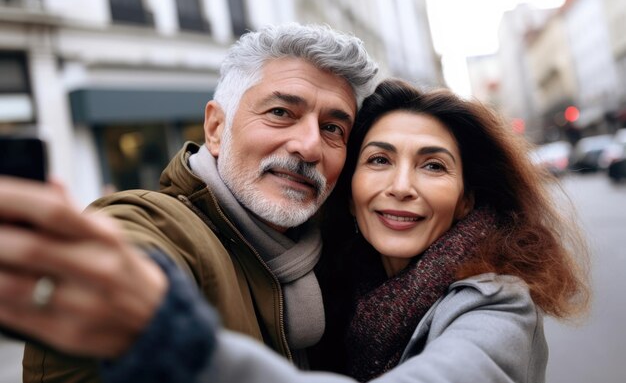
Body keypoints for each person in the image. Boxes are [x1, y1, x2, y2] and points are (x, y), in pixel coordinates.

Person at [0, 78, 590, 383]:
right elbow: (148, 232)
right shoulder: (325, 276)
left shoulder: (498, 310)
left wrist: (175, 341)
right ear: (349, 184)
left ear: (466, 200)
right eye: (378, 159)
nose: (401, 185)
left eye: (433, 165)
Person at [0, 22, 378, 382]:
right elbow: (137, 245)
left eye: (332, 128)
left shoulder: (348, 250)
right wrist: (127, 293)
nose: (309, 145)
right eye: (280, 113)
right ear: (215, 129)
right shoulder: (157, 223)